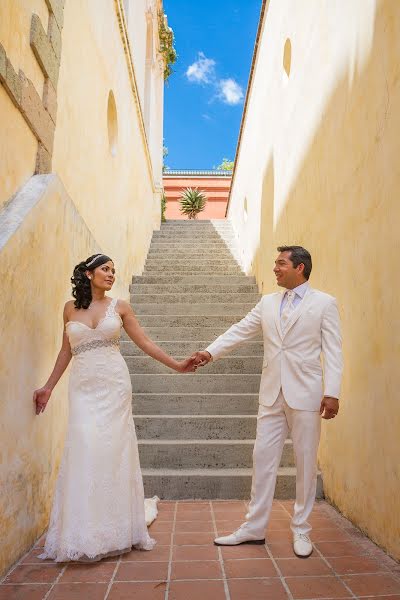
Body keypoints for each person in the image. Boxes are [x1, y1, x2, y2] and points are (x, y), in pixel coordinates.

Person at [33, 253, 197, 562]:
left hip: (114, 386)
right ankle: (84, 530)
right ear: (87, 273)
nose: (111, 274)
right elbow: (65, 352)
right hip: (83, 387)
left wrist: (177, 365)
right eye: (105, 269)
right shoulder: (69, 309)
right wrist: (48, 387)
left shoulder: (120, 306)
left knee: (113, 451)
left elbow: (145, 342)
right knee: (85, 447)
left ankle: (117, 528)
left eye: (113, 270)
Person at [193, 246, 343, 557]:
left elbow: (334, 350)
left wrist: (333, 391)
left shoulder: (324, 303)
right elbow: (240, 330)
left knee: (304, 463)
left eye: (280, 263)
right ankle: (254, 527)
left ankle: (301, 530)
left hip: (306, 394)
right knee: (262, 459)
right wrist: (210, 352)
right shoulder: (267, 302)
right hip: (271, 393)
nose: (275, 268)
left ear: (299, 268)